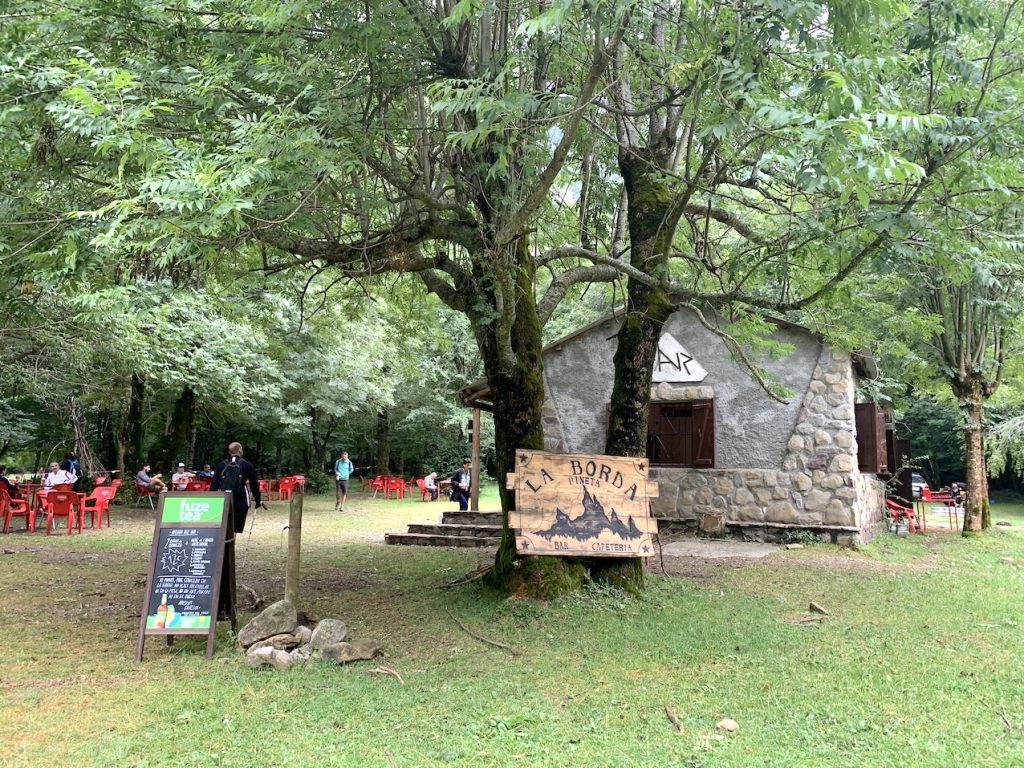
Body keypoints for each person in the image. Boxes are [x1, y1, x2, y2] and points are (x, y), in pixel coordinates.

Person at [211, 442, 261, 534]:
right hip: (240, 499)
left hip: (224, 500)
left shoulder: (221, 465)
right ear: (240, 450)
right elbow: (254, 485)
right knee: (235, 528)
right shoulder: (247, 465)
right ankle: (231, 545)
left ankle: (224, 546)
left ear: (229, 451)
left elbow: (214, 485)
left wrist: (213, 502)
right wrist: (258, 500)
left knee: (224, 525)